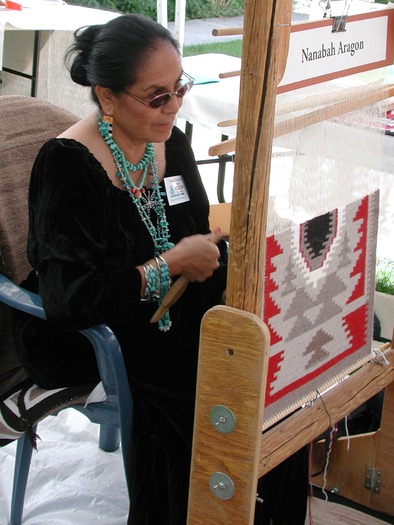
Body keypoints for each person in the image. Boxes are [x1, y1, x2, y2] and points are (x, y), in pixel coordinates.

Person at [12, 13, 227, 525]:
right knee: (206, 394)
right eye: (156, 96)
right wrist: (166, 265)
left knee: (263, 352)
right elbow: (70, 300)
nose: (174, 105)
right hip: (89, 331)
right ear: (107, 97)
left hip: (161, 313)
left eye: (179, 88)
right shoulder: (67, 164)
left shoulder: (169, 140)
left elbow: (192, 224)